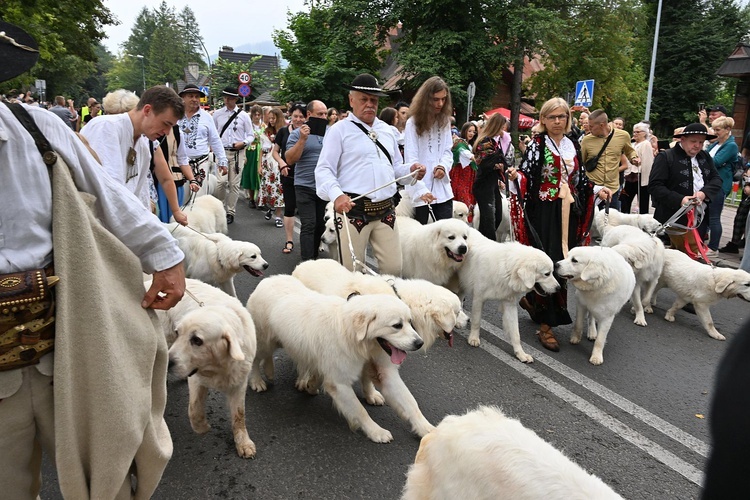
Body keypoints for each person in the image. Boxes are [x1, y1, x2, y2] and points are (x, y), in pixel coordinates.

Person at [0, 21, 185, 497]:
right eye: (165, 122)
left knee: (108, 460)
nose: (165, 131)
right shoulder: (98, 127)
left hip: (60, 339)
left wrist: (164, 253)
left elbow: (104, 192)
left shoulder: (33, 125)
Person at [506, 97, 595, 352]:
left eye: (562, 117)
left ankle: (535, 302)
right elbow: (526, 175)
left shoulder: (572, 145)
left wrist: (597, 190)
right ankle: (546, 324)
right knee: (551, 261)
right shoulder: (537, 145)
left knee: (564, 261)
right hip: (544, 213)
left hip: (569, 213)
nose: (558, 121)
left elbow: (581, 180)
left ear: (568, 120)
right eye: (552, 117)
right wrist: (516, 177)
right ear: (543, 120)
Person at [316, 73, 426, 274]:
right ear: (351, 100)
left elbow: (394, 168)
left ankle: (384, 305)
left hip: (386, 210)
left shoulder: (386, 130)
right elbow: (324, 169)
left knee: (393, 269)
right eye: (364, 99)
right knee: (351, 271)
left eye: (373, 100)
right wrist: (336, 195)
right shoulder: (339, 130)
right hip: (353, 211)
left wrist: (411, 171)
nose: (369, 104)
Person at [81, 86, 188, 226]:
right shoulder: (106, 127)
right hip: (96, 227)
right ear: (147, 110)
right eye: (166, 124)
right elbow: (111, 195)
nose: (167, 132)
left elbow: (140, 197)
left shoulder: (143, 145)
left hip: (120, 227)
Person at [649, 123, 723, 259]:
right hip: (674, 216)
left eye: (701, 142)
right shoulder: (666, 157)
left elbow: (717, 179)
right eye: (693, 141)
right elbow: (655, 186)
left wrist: (703, 193)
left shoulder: (705, 157)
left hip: (700, 216)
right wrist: (680, 199)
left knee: (680, 255)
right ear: (682, 139)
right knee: (688, 254)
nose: (697, 145)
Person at [403, 76, 453, 224]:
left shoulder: (445, 122)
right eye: (435, 99)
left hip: (442, 189)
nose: (440, 103)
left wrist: (443, 167)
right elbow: (411, 158)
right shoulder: (412, 123)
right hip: (419, 191)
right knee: (420, 240)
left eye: (443, 99)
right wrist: (420, 188)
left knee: (446, 235)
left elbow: (447, 151)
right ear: (425, 99)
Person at [285, 99, 329, 261]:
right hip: (304, 185)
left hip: (324, 186)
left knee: (320, 224)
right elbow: (290, 159)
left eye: (325, 114)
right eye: (320, 114)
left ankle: (314, 256)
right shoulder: (297, 134)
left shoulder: (331, 132)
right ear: (309, 115)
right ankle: (307, 261)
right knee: (309, 224)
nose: (324, 117)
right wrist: (302, 139)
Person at [178, 84, 229, 218]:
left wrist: (222, 161)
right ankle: (182, 229)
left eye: (197, 96)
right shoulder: (176, 115)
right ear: (183, 98)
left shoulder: (207, 117)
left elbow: (215, 140)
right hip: (179, 165)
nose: (194, 99)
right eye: (190, 96)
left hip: (201, 164)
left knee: (199, 199)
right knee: (181, 197)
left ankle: (199, 227)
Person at [581, 109, 640, 210]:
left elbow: (629, 151)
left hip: (612, 189)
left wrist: (634, 158)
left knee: (612, 222)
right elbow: (581, 162)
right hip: (593, 189)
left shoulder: (623, 136)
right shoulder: (587, 140)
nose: (589, 129)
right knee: (590, 222)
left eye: (591, 126)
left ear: (602, 125)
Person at [213, 87, 254, 223]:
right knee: (220, 182)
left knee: (234, 184)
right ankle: (219, 208)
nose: (226, 100)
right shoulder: (217, 114)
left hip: (238, 153)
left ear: (236, 99)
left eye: (229, 98)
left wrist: (244, 142)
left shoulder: (243, 116)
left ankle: (230, 212)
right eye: (225, 97)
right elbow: (213, 134)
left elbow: (251, 135)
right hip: (222, 152)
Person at [472, 114, 511, 240]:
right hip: (484, 185)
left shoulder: (493, 142)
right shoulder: (485, 142)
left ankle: (481, 242)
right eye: (501, 127)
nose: (503, 131)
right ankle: (485, 245)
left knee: (496, 216)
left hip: (492, 183)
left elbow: (501, 161)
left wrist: (500, 164)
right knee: (489, 221)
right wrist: (500, 163)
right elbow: (487, 163)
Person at [273, 102, 305, 254]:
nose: (298, 119)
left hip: (307, 176)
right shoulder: (283, 132)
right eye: (295, 116)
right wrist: (282, 163)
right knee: (290, 207)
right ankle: (289, 240)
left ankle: (311, 240)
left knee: (307, 210)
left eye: (301, 116)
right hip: (288, 173)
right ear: (290, 116)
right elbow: (275, 152)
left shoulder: (311, 133)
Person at [704, 116, 738, 257]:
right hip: (710, 183)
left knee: (714, 217)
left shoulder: (731, 145)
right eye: (714, 129)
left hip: (719, 185)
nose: (715, 132)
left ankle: (714, 247)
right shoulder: (716, 144)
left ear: (727, 129)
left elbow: (715, 161)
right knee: (705, 216)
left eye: (718, 130)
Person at [258, 107, 286, 228]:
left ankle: (279, 216)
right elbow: (261, 149)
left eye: (273, 118)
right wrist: (259, 165)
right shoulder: (265, 131)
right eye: (269, 118)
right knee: (268, 190)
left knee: (279, 189)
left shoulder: (284, 131)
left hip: (278, 163)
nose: (271, 121)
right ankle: (272, 208)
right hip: (266, 164)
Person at [450, 121, 478, 222]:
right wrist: (474, 157)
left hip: (468, 177)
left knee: (468, 197)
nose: (471, 133)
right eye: (469, 131)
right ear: (464, 130)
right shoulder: (460, 143)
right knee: (462, 196)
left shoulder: (468, 144)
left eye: (473, 132)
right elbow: (463, 152)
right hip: (461, 175)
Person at [240, 104, 264, 210]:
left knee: (260, 175)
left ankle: (260, 198)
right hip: (251, 152)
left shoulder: (264, 126)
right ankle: (251, 198)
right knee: (250, 174)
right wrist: (244, 155)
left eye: (259, 114)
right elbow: (245, 140)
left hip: (261, 152)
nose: (257, 117)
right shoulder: (248, 126)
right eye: (255, 114)